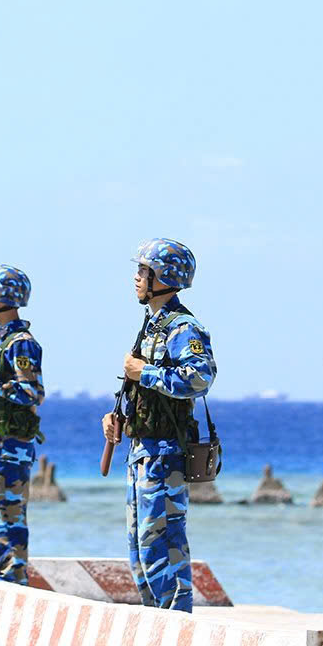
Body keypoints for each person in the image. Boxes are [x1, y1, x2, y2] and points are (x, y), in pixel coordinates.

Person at [101, 239, 216, 611]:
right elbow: (147, 389)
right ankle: (158, 627)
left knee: (163, 549)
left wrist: (144, 372)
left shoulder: (183, 327)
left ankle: (176, 628)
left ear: (162, 277)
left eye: (143, 272)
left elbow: (200, 379)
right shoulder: (152, 326)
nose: (136, 278)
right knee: (141, 554)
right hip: (143, 452)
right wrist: (119, 417)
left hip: (166, 454)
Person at [0, 264, 44, 585]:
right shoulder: (2, 340)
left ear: (2, 297)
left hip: (9, 448)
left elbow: (32, 392)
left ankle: (8, 584)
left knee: (3, 520)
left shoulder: (21, 343)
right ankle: (6, 581)